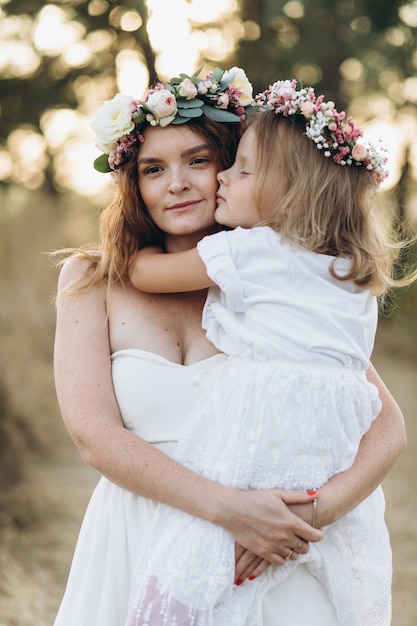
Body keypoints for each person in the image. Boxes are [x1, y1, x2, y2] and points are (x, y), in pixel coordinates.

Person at [52, 69, 406, 626]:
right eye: (152, 169)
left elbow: (386, 426)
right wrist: (229, 511)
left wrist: (308, 514)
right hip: (138, 533)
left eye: (198, 160)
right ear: (133, 185)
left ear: (234, 166)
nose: (177, 184)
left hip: (274, 546)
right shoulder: (92, 280)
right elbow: (93, 436)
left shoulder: (286, 279)